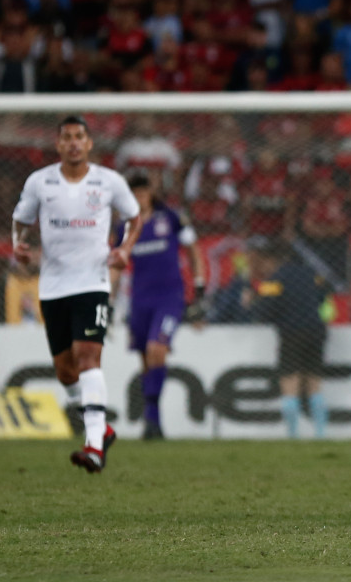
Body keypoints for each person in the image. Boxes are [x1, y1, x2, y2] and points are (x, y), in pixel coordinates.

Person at [12, 115, 141, 473]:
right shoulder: (40, 182)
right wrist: (18, 246)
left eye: (78, 137)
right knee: (66, 372)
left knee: (88, 359)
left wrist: (125, 248)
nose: (72, 143)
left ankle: (94, 446)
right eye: (66, 137)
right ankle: (104, 430)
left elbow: (134, 216)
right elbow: (20, 221)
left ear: (89, 144)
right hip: (53, 286)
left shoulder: (108, 181)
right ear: (58, 145)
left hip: (93, 282)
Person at [110, 173, 207, 440]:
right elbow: (117, 265)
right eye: (135, 194)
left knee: (157, 349)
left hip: (170, 298)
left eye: (144, 192)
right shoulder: (125, 229)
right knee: (144, 357)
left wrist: (199, 286)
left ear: (151, 194)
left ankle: (152, 417)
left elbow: (194, 251)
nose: (140, 198)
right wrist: (109, 299)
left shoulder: (172, 219)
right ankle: (153, 421)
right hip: (140, 299)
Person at [245, 237, 329, 438]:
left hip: (292, 333)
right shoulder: (309, 273)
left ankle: (292, 434)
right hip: (316, 330)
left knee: (290, 383)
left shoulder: (274, 281)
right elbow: (323, 293)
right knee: (314, 384)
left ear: (267, 260)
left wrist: (252, 302)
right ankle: (321, 434)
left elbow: (264, 312)